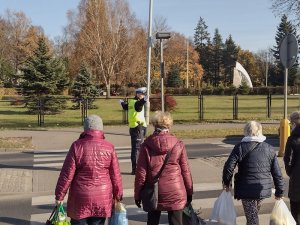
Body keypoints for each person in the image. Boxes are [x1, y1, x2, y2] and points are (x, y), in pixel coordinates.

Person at [55, 115, 123, 225]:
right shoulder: (109, 147)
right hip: (102, 197)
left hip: (80, 198)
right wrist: (118, 194)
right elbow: (115, 174)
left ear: (85, 129)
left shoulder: (77, 146)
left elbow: (67, 174)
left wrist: (59, 195)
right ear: (101, 129)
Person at [134, 111, 193, 225]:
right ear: (169, 125)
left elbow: (141, 173)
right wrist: (189, 191)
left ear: (154, 125)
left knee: (152, 221)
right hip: (175, 190)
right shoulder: (178, 143)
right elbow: (185, 170)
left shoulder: (146, 145)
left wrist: (138, 194)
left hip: (154, 191)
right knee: (176, 222)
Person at [223, 121, 284, 225]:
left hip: (246, 189)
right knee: (252, 216)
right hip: (261, 189)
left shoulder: (240, 147)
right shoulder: (269, 148)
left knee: (252, 219)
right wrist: (280, 190)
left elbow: (229, 167)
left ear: (246, 131)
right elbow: (277, 172)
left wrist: (226, 183)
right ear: (260, 131)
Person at [120, 87, 147, 175]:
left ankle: (136, 168)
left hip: (134, 127)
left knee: (136, 148)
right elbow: (139, 105)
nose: (142, 96)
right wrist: (144, 101)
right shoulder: (137, 103)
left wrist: (122, 103)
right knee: (137, 149)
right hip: (138, 127)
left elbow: (126, 107)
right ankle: (136, 169)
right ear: (138, 94)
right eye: (142, 94)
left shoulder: (132, 102)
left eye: (143, 94)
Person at [284, 111, 300, 225]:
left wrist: (291, 173)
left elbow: (287, 160)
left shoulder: (292, 139)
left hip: (297, 178)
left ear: (294, 123)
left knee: (295, 209)